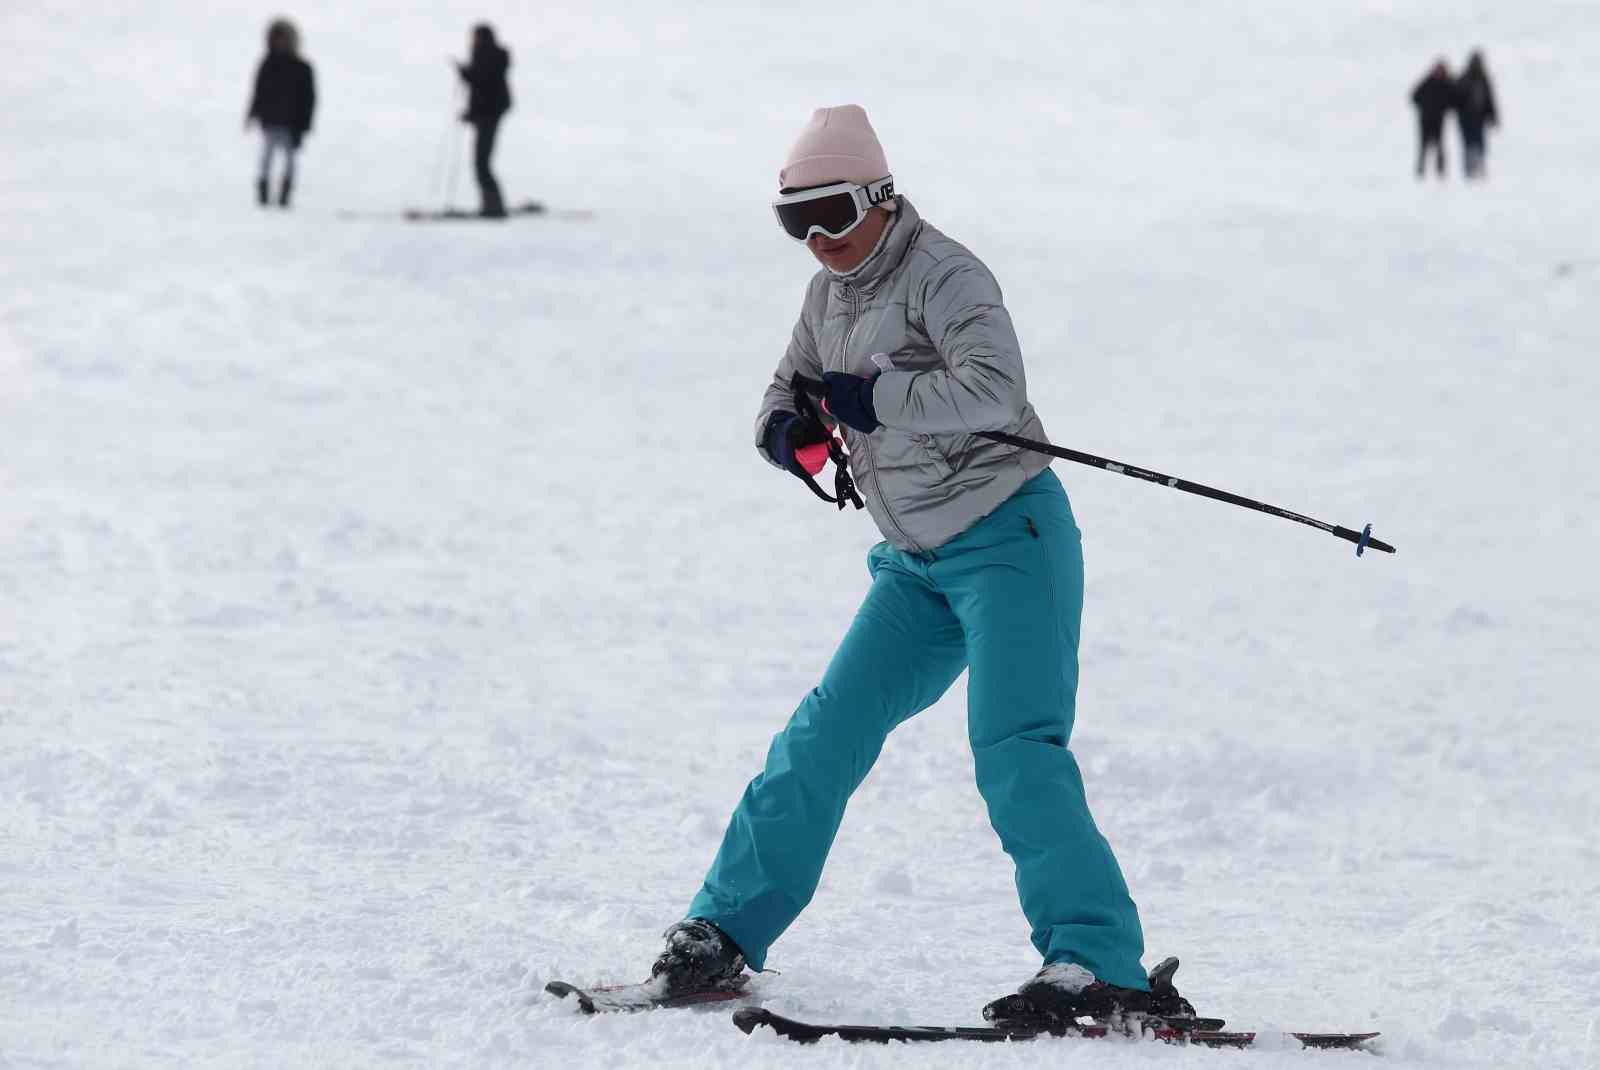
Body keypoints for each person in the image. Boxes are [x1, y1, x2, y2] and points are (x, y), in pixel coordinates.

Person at [646, 105, 1192, 1025]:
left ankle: (1098, 963)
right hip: (913, 567)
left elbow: (994, 388)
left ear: (878, 196)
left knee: (1016, 748)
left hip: (1008, 538)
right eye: (795, 222)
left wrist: (878, 395)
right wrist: (790, 432)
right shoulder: (828, 297)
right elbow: (789, 387)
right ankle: (724, 934)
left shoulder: (947, 274)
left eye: (830, 215)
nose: (817, 240)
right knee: (821, 738)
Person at [244, 18, 315, 208]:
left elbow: (308, 99)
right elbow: (258, 91)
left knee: (290, 160)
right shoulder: (267, 64)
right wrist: (252, 113)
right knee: (266, 158)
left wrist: (304, 125)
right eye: (276, 38)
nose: (280, 42)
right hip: (270, 121)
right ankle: (263, 195)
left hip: (292, 125)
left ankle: (285, 196)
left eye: (283, 38)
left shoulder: (302, 68)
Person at [455, 24, 512, 218]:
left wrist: (465, 74)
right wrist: (471, 114)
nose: (472, 40)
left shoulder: (486, 57)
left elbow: (483, 85)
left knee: (482, 163)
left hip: (489, 116)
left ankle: (494, 207)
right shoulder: (488, 57)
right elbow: (482, 88)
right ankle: (493, 205)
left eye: (475, 37)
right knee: (482, 162)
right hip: (488, 115)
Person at [1455, 51, 1499, 180]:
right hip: (1465, 118)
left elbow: (1490, 99)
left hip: (1479, 118)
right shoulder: (1463, 78)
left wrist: (1493, 116)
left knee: (1479, 143)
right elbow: (1456, 98)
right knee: (1468, 143)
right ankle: (1469, 169)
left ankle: (1479, 167)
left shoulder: (1483, 79)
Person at [1410, 59, 1455, 179]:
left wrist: (1446, 107)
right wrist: (1424, 106)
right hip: (1425, 119)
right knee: (1423, 145)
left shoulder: (1447, 84)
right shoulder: (1428, 81)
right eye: (1437, 70)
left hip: (1439, 120)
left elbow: (1454, 99)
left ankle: (1440, 170)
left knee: (1440, 145)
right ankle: (1420, 170)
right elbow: (1414, 96)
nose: (1439, 73)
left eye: (1441, 70)